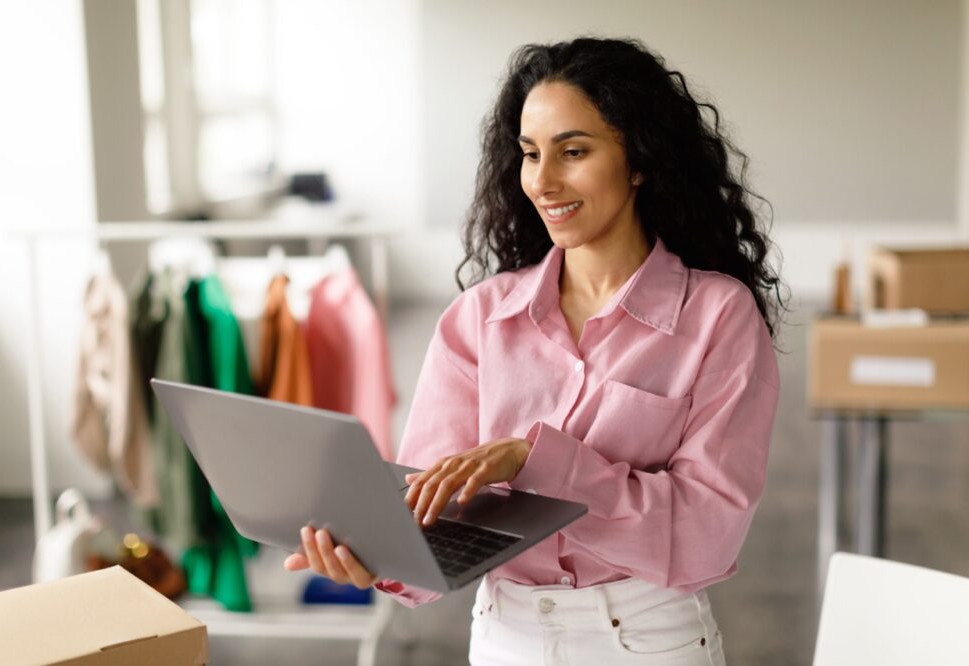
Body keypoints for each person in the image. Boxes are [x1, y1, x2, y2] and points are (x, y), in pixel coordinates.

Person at [284, 36, 783, 665]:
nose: (542, 181)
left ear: (640, 160)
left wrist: (534, 461)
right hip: (504, 639)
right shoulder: (478, 319)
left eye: (573, 152)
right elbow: (432, 512)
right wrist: (378, 558)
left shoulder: (717, 316)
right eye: (528, 154)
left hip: (648, 641)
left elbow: (706, 537)